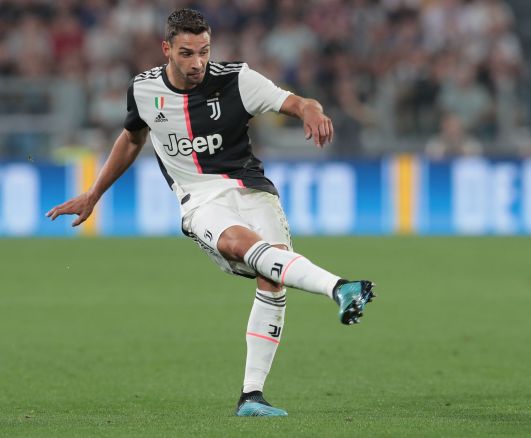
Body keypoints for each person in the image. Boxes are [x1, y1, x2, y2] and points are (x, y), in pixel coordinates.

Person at [46, 8, 375, 417]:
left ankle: (252, 396)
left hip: (253, 190)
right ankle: (340, 287)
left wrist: (312, 110)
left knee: (273, 278)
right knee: (240, 245)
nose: (197, 62)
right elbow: (132, 139)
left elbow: (296, 102)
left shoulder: (238, 80)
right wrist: (94, 193)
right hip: (200, 199)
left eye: (204, 51)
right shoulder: (144, 90)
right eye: (186, 53)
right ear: (167, 49)